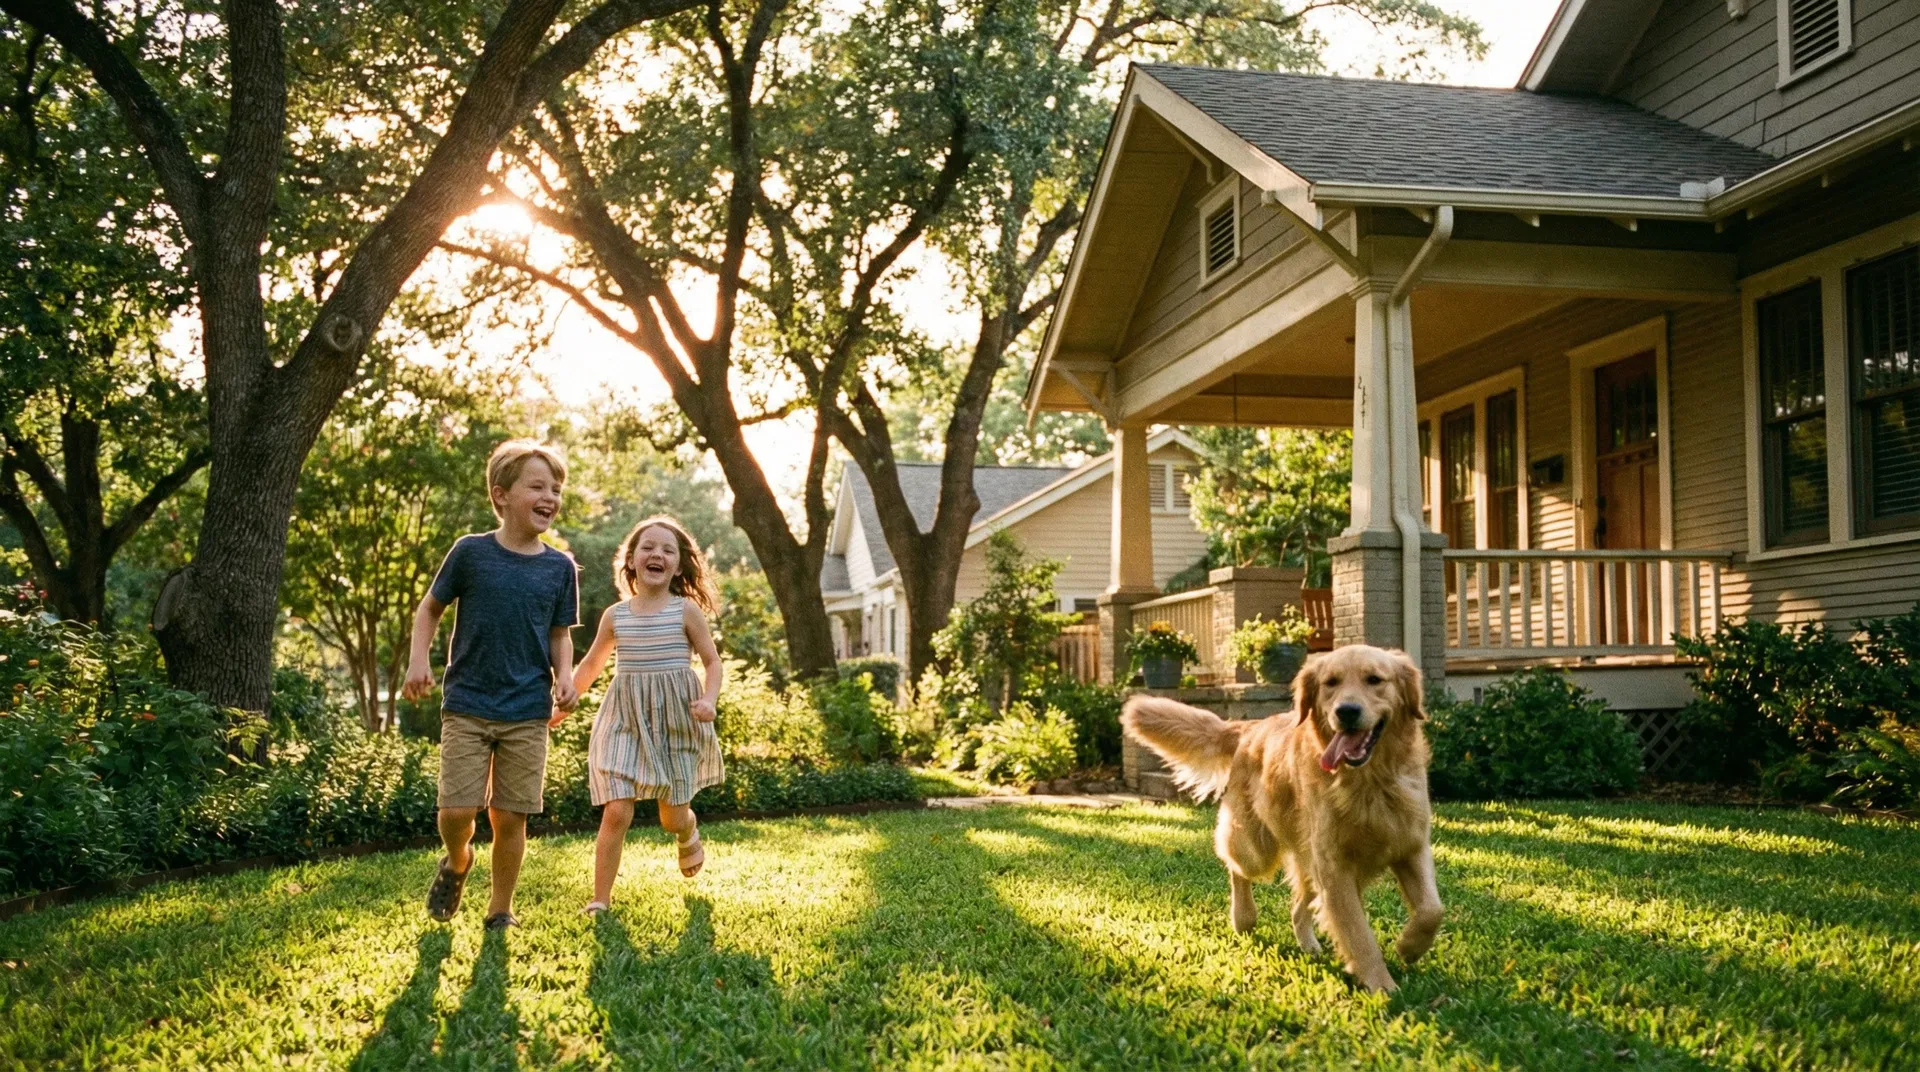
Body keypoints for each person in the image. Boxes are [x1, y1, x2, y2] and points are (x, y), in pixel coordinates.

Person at [403, 440, 579, 930]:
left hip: (526, 707)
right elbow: (430, 608)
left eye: (556, 488)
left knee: (510, 816)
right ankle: (458, 860)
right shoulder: (471, 553)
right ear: (501, 495)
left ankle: (500, 909)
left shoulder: (559, 567)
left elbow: (559, 634)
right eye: (538, 486)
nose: (550, 496)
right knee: (457, 810)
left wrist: (564, 675)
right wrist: (419, 662)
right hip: (468, 702)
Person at [563, 515, 725, 915]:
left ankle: (686, 828)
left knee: (670, 818)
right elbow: (590, 665)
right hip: (626, 720)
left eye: (668, 550)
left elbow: (712, 661)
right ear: (631, 560)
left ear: (679, 564)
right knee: (617, 809)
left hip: (676, 722)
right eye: (648, 547)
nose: (658, 554)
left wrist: (709, 699)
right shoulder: (616, 615)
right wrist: (563, 701)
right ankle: (601, 899)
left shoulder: (685, 611)